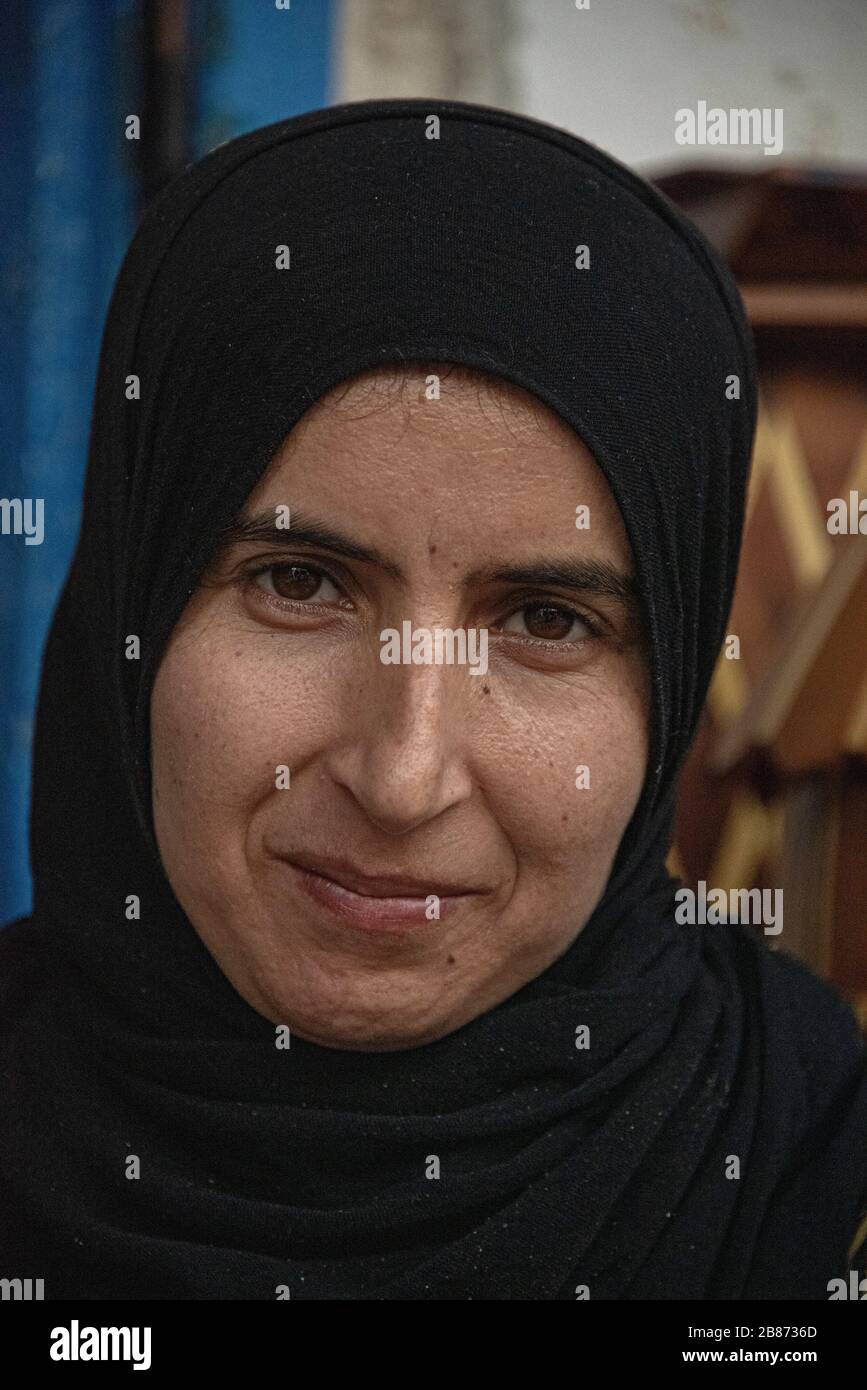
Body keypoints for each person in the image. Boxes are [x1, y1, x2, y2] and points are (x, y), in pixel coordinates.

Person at [1, 97, 865, 1300]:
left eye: (547, 621)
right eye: (299, 583)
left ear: (666, 696)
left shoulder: (817, 1174)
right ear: (135, 602)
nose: (404, 778)